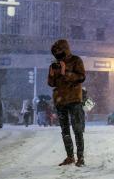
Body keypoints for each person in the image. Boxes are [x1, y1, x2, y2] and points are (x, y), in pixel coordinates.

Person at [47, 39, 86, 167]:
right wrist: (52, 74)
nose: (57, 54)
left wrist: (65, 72)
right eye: (55, 52)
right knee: (65, 130)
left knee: (77, 129)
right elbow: (51, 83)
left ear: (65, 49)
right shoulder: (55, 64)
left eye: (59, 51)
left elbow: (81, 77)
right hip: (60, 101)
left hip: (74, 99)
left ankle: (80, 158)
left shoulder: (76, 60)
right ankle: (70, 157)